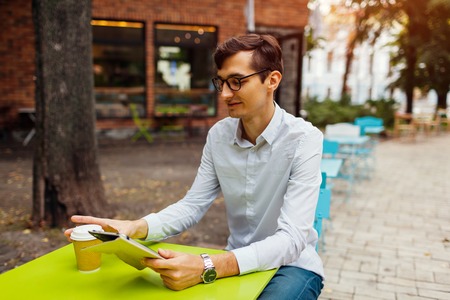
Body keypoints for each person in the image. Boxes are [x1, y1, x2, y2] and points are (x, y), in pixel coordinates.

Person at [65, 33, 324, 299]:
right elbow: (192, 205)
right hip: (233, 261)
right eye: (221, 82)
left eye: (236, 82)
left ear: (272, 80)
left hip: (291, 267)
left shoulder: (304, 139)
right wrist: (134, 228)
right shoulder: (218, 136)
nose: (224, 94)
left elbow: (292, 239)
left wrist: (206, 266)